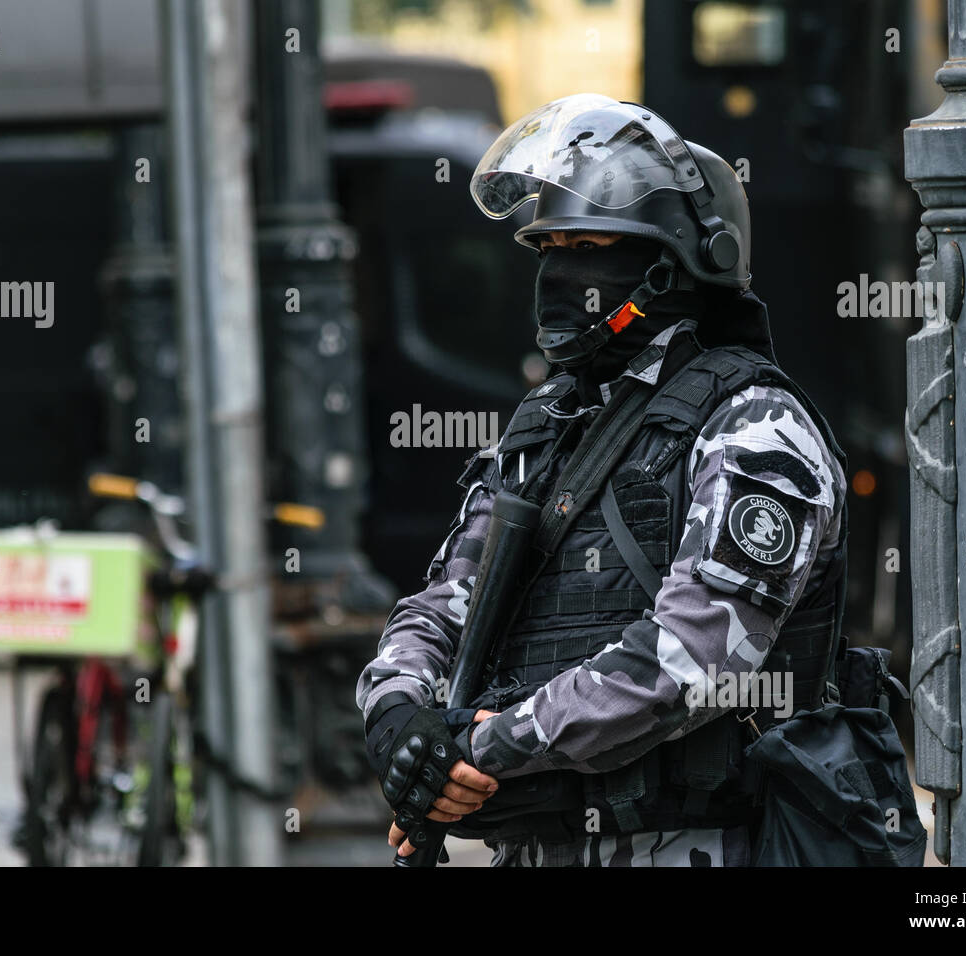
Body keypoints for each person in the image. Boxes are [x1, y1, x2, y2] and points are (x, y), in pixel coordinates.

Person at [356, 93, 847, 867]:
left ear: (674, 267)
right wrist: (400, 720)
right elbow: (444, 604)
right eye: (548, 247)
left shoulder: (754, 427)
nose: (559, 272)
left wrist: (487, 745)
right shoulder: (547, 424)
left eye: (588, 247)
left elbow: (693, 658)